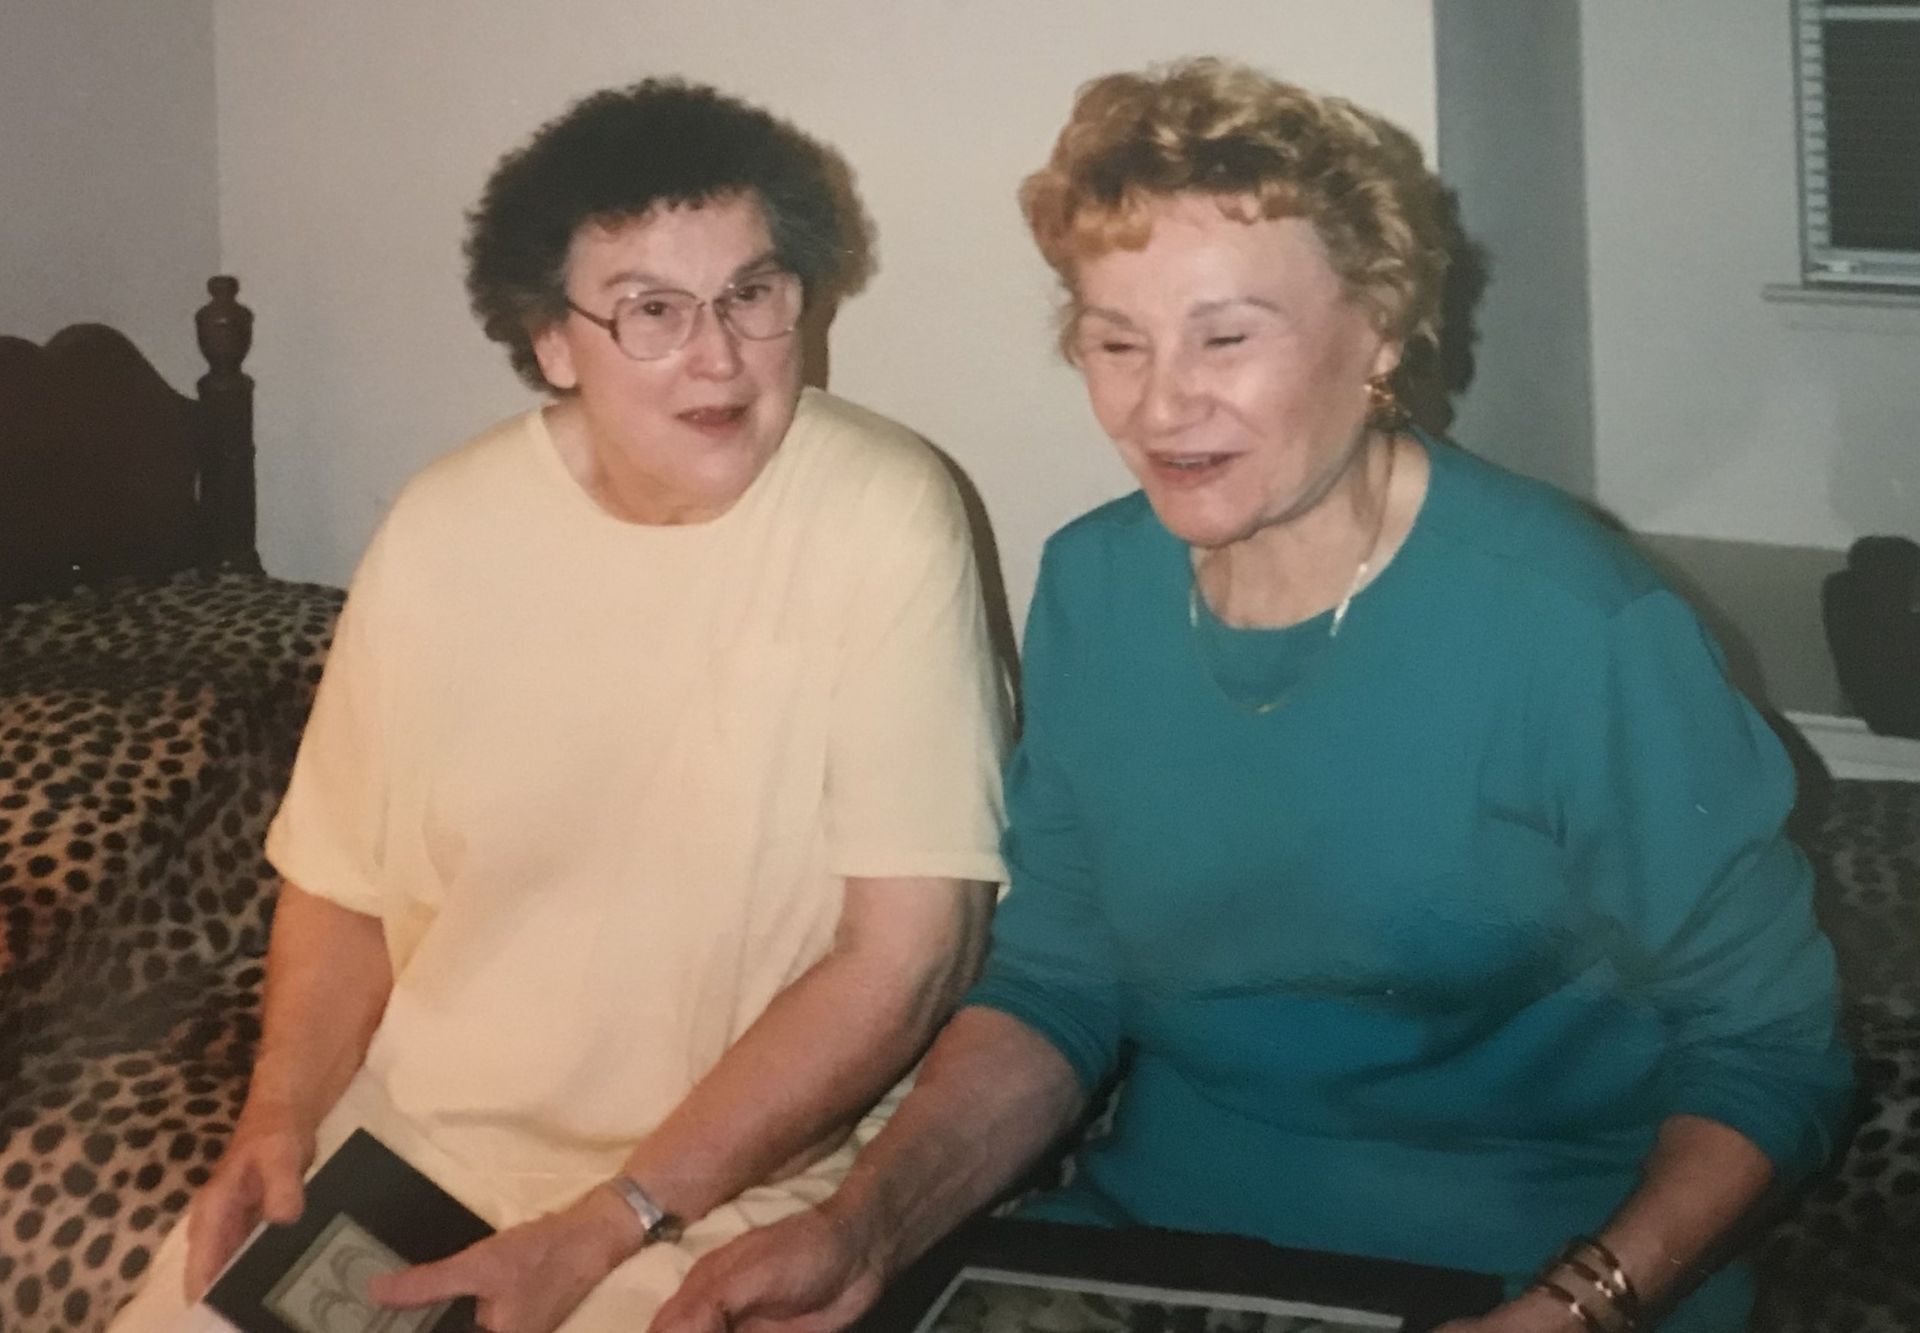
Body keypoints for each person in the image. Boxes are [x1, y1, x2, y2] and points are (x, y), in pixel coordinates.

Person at [650, 59, 1853, 1333]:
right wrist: (862, 1229)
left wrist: (1580, 1306)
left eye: (1225, 337)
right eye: (1116, 341)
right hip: (1163, 1246)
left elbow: (1773, 1052)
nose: (1160, 402)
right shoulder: (1098, 586)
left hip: (1526, 1264)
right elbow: (1056, 985)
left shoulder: (1576, 625)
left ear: (1380, 329)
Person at [108, 79, 1007, 1333]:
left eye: (751, 293)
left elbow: (905, 961)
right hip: (412, 1154)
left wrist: (609, 1219)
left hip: (724, 1192)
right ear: (551, 341)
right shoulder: (444, 529)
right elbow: (343, 886)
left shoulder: (886, 517)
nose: (718, 355)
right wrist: (278, 1115)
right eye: (651, 310)